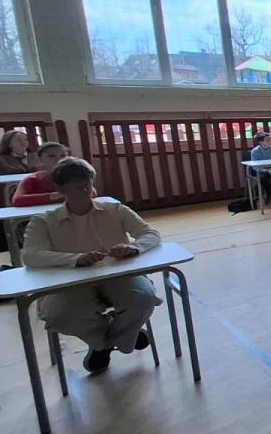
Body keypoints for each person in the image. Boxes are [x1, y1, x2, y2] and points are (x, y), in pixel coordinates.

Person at [21, 157, 161, 374]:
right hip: (69, 281)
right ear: (61, 189)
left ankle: (105, 344)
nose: (86, 190)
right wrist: (75, 259)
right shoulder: (43, 221)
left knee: (143, 298)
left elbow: (150, 234)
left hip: (117, 274)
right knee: (58, 315)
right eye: (78, 186)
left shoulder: (115, 209)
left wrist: (134, 248)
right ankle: (112, 339)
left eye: (88, 183)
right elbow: (31, 255)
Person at [12, 142, 88, 207]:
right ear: (40, 159)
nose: (59, 159)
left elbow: (90, 192)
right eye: (51, 156)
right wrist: (55, 196)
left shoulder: (74, 176)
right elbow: (17, 200)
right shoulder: (33, 179)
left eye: (63, 155)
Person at [249, 132, 271, 204]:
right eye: (267, 140)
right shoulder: (255, 151)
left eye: (269, 139)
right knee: (263, 178)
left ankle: (270, 194)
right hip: (259, 170)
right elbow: (255, 166)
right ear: (261, 142)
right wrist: (266, 171)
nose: (269, 141)